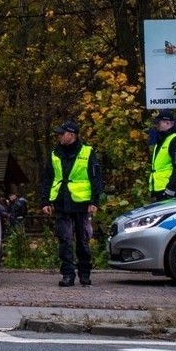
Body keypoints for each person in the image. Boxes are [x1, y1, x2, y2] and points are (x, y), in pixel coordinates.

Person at [39, 120, 102, 287]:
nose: (59, 136)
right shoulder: (54, 153)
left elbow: (96, 178)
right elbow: (47, 178)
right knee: (64, 240)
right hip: (61, 201)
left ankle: (85, 274)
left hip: (82, 203)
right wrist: (45, 201)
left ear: (71, 135)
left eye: (62, 133)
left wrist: (95, 201)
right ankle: (67, 274)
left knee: (83, 241)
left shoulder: (88, 152)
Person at [149, 110, 176, 201]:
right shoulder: (162, 141)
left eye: (158, 123)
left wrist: (170, 189)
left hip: (174, 191)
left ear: (167, 123)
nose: (156, 126)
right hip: (163, 190)